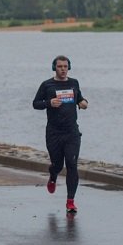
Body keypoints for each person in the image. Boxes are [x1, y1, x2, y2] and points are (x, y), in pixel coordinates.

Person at [32, 55, 88, 214]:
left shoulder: (74, 83)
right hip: (54, 132)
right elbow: (35, 104)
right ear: (54, 68)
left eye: (65, 66)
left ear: (68, 67)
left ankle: (70, 201)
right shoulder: (47, 85)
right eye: (59, 66)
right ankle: (53, 175)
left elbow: (80, 99)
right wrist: (49, 103)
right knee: (57, 164)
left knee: (72, 165)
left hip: (71, 132)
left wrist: (83, 103)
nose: (63, 69)